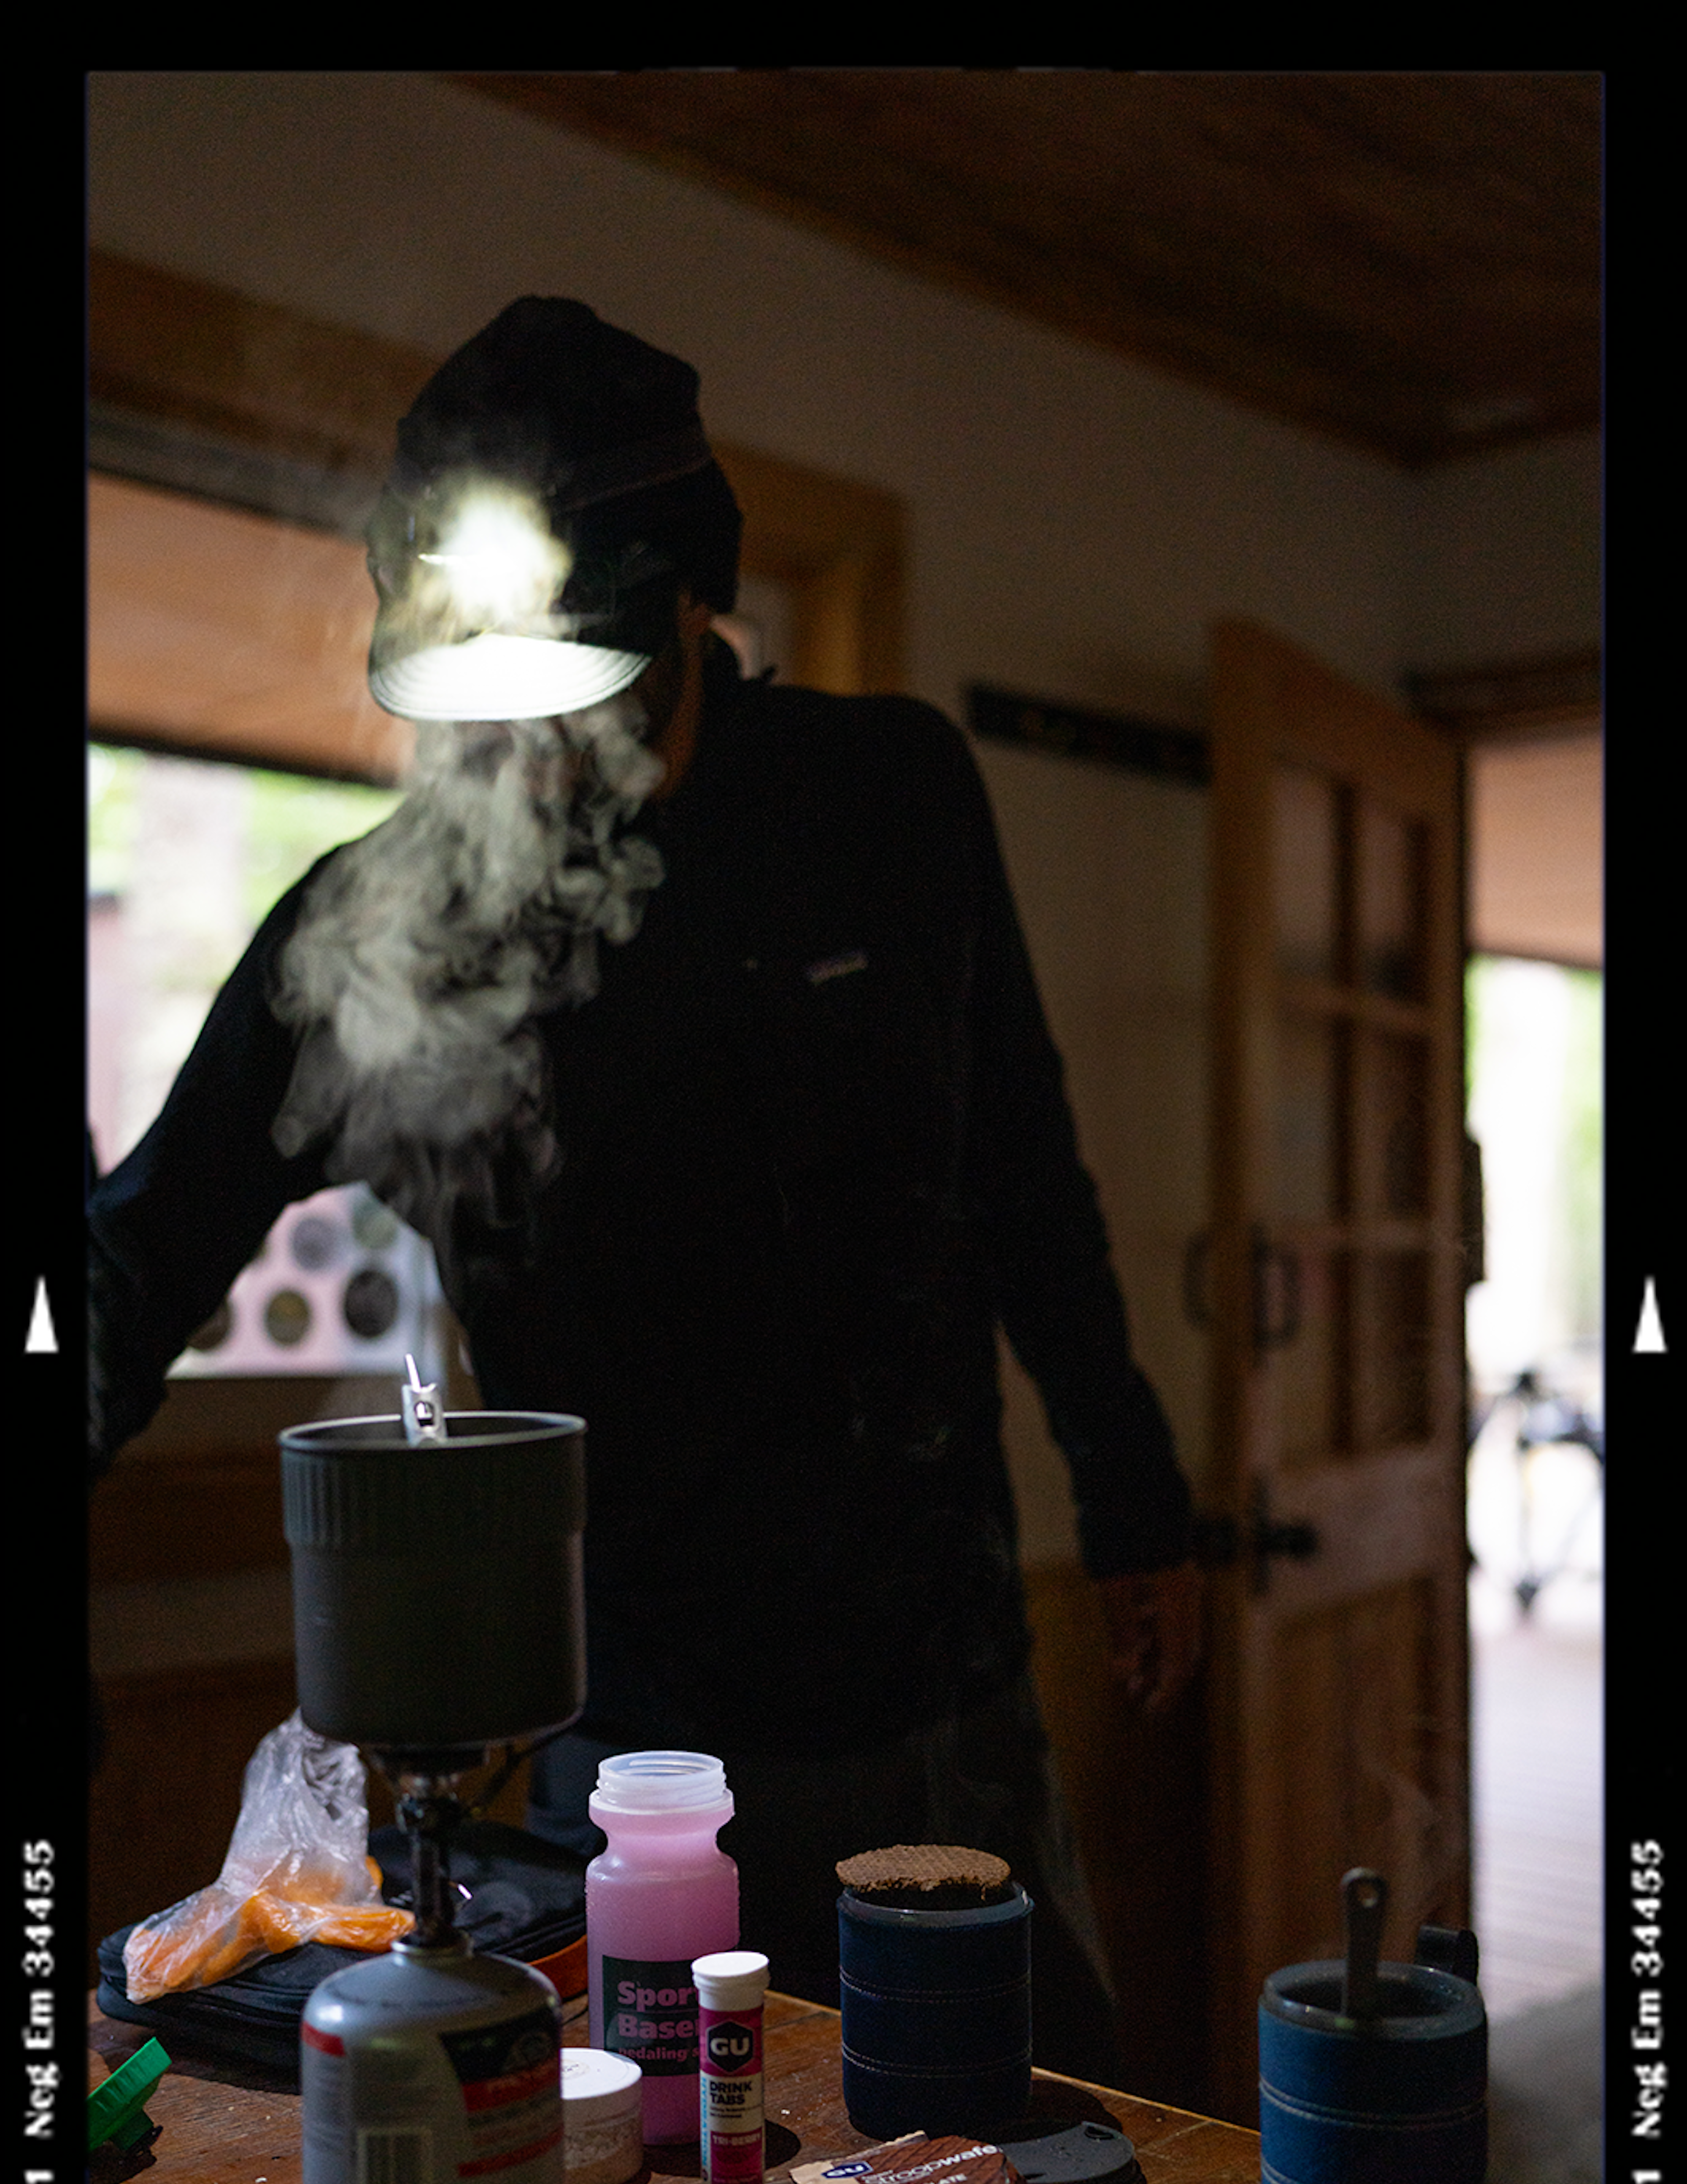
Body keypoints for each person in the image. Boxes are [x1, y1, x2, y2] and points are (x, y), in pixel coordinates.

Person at [88, 298, 1200, 2082]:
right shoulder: (392, 922)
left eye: (570, 685)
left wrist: (1136, 1495)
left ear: (687, 599)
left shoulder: (888, 796)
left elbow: (1025, 1171)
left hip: (939, 1673)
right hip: (643, 1736)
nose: (522, 756)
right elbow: (135, 1254)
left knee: (1033, 2158)